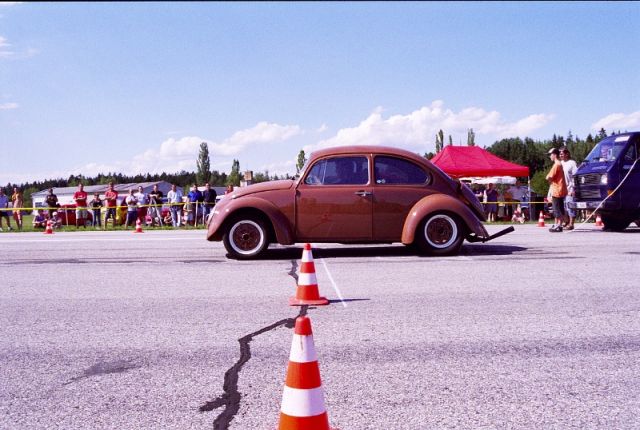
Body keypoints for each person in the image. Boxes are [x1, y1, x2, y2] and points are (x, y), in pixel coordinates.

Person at [546, 147, 568, 232]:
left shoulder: (556, 165)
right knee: (560, 208)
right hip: (561, 189)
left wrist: (550, 181)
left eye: (550, 155)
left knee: (556, 209)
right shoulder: (560, 164)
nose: (550, 156)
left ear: (554, 155)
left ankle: (559, 225)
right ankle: (559, 225)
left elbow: (549, 177)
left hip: (556, 190)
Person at [560, 147, 578, 230]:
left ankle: (571, 224)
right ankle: (566, 221)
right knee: (563, 207)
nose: (560, 155)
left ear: (567, 154)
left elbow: (575, 176)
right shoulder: (560, 163)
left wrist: (573, 189)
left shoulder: (572, 163)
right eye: (560, 154)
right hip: (561, 189)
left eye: (562, 153)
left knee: (570, 205)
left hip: (569, 188)